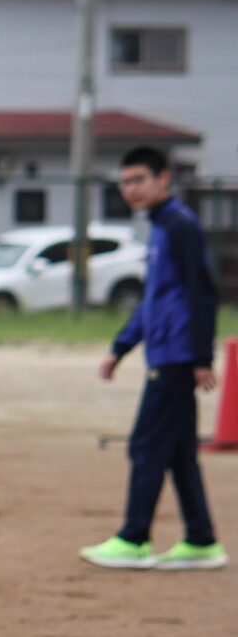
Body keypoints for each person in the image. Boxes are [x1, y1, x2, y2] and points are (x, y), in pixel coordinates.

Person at [80, 146, 226, 570]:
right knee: (178, 451)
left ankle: (134, 538)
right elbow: (154, 300)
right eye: (125, 182)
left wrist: (201, 356)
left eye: (139, 179)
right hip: (166, 351)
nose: (130, 189)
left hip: (178, 356)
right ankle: (201, 540)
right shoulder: (160, 228)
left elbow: (203, 293)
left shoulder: (180, 227)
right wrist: (121, 347)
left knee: (146, 446)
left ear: (163, 179)